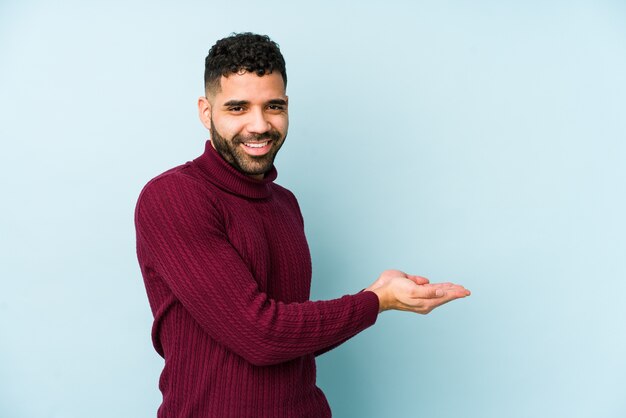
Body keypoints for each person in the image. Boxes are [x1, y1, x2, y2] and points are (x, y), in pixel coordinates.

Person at [134, 32, 470, 418]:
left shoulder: (285, 204)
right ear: (206, 112)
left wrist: (377, 293)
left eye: (273, 106)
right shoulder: (174, 197)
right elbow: (259, 335)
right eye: (238, 108)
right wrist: (377, 301)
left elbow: (291, 337)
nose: (259, 125)